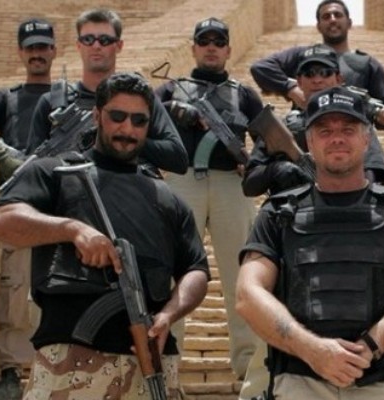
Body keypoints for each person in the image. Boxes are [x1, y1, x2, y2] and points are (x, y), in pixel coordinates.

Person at [0, 72, 210, 399]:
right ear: (96, 116)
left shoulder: (168, 198)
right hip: (69, 363)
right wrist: (72, 229)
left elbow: (196, 270)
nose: (127, 128)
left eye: (139, 120)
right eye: (117, 116)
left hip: (151, 363)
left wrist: (169, 314)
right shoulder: (56, 172)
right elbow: (0, 220)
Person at [235, 85, 384, 399]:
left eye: (348, 129)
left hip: (383, 383)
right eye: (325, 131)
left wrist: (370, 347)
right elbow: (247, 294)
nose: (337, 138)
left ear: (367, 139)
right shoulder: (278, 212)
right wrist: (313, 350)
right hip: (301, 383)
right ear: (309, 142)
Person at [153, 16, 265, 398]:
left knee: (243, 274)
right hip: (182, 179)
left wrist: (253, 162)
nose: (212, 47)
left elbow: (267, 138)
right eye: (205, 41)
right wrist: (175, 110)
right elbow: (144, 120)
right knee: (173, 273)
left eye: (219, 41)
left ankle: (249, 369)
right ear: (194, 49)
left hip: (231, 184)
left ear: (229, 49)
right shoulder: (173, 89)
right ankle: (167, 366)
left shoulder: (243, 95)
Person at [27, 8, 188, 174]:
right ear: (78, 45)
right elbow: (34, 168)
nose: (96, 46)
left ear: (119, 45)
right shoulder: (52, 102)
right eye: (88, 39)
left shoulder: (140, 100)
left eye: (105, 40)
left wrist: (122, 137)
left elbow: (178, 159)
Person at [0, 18, 57, 400]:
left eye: (43, 46)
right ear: (20, 52)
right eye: (30, 47)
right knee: (14, 289)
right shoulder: (6, 99)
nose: (37, 54)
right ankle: (11, 370)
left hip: (60, 206)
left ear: (54, 50)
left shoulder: (67, 97)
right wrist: (4, 156)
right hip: (19, 205)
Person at [242, 43, 384, 197]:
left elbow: (374, 171)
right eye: (309, 74)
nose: (317, 80)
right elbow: (249, 185)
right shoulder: (281, 128)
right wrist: (276, 170)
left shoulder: (356, 124)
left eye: (325, 73)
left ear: (339, 79)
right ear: (299, 81)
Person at [249, 0, 384, 130]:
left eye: (337, 15)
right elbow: (261, 68)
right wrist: (292, 89)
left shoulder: (367, 63)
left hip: (355, 140)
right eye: (326, 17)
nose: (332, 20)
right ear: (319, 26)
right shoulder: (303, 55)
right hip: (307, 137)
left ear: (349, 23)